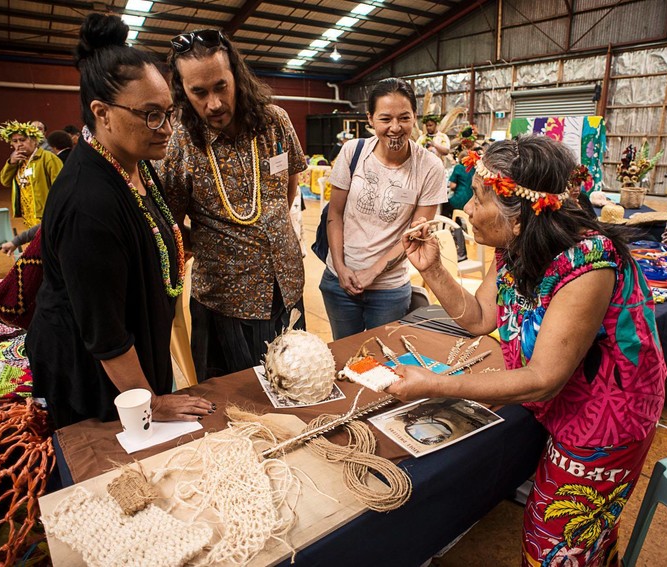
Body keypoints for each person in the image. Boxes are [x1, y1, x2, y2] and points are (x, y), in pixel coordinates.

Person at [390, 135, 666, 566]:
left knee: (557, 542)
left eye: (479, 199)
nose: (468, 210)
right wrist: (433, 270)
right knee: (578, 535)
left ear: (520, 217)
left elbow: (543, 379)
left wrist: (437, 384)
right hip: (565, 403)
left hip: (607, 420)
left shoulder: (588, 264)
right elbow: (481, 317)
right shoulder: (514, 247)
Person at [26, 13, 212, 428]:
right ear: (102, 112)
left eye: (169, 112)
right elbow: (105, 334)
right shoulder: (87, 204)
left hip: (133, 356)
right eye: (150, 115)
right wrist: (152, 403)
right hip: (93, 374)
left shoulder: (134, 162)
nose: (166, 129)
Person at [156, 29, 307, 380]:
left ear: (237, 77)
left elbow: (290, 184)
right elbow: (170, 222)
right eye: (199, 92)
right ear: (183, 92)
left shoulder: (275, 122)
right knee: (237, 399)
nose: (214, 103)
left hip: (287, 286)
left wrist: (271, 230)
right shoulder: (179, 141)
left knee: (296, 384)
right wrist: (210, 245)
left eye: (221, 86)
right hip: (225, 302)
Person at [320, 78, 445, 340]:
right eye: (385, 119)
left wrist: (372, 273)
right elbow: (335, 214)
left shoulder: (429, 167)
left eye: (404, 118)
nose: (395, 128)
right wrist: (341, 269)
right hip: (338, 282)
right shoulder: (353, 152)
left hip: (389, 290)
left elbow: (416, 234)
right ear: (371, 118)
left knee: (385, 361)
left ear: (415, 118)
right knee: (343, 354)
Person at [0, 120, 63, 227]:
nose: (19, 144)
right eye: (15, 141)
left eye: (22, 140)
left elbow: (62, 188)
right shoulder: (17, 162)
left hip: (47, 215)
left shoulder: (47, 158)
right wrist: (11, 163)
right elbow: (5, 182)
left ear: (35, 141)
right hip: (28, 215)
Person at [444, 149, 473, 217]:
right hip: (471, 199)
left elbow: (452, 186)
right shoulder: (475, 168)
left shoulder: (458, 167)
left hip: (459, 199)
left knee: (445, 204)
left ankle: (453, 223)